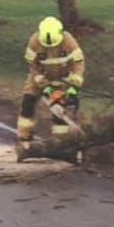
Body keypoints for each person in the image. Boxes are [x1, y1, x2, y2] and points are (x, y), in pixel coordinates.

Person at [18, 16, 84, 151]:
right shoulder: (34, 42)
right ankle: (25, 140)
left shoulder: (69, 42)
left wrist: (73, 88)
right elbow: (33, 67)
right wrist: (46, 87)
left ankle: (60, 142)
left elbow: (78, 64)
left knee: (59, 113)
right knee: (27, 104)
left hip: (62, 79)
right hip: (39, 78)